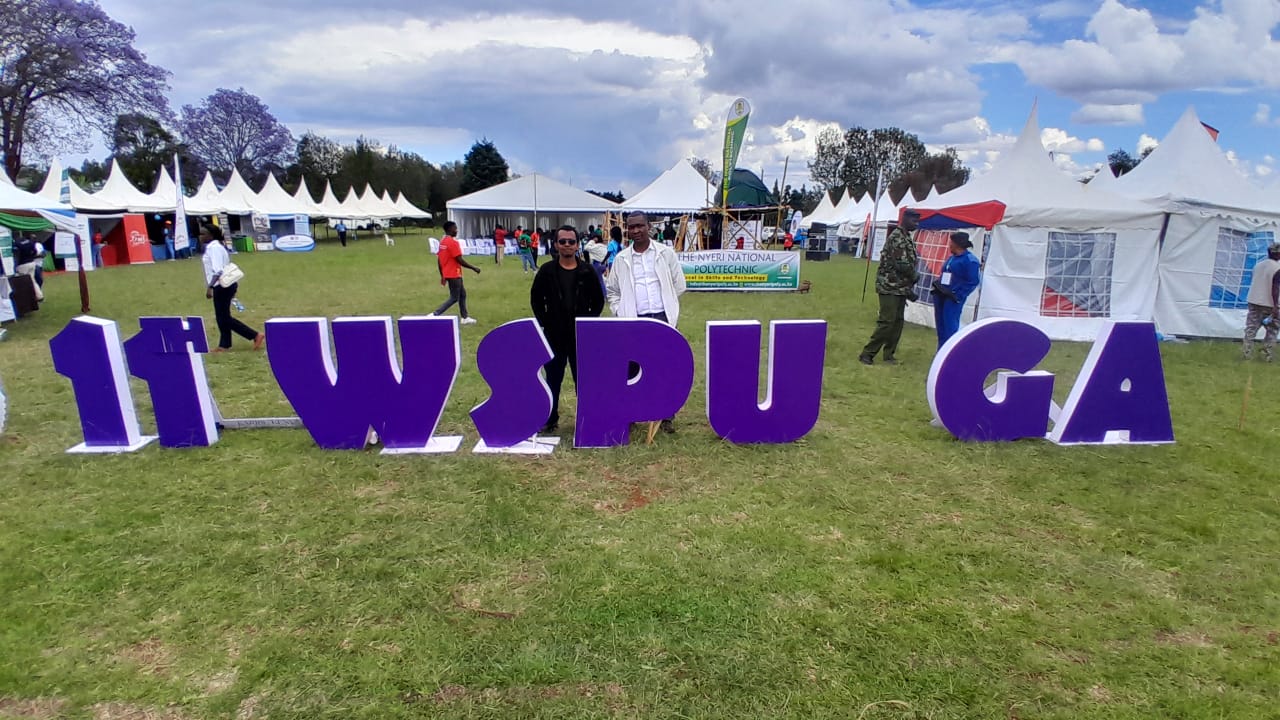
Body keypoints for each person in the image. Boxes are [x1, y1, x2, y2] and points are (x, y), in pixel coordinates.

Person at [606, 211, 688, 434]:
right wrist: (620, 311)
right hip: (634, 319)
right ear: (627, 230)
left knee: (664, 368)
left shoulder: (665, 253)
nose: (636, 231)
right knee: (632, 367)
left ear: (649, 226)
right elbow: (612, 291)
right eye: (631, 227)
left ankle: (666, 415)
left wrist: (668, 304)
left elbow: (679, 285)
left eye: (640, 226)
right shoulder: (622, 258)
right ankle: (632, 412)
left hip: (662, 317)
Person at [530, 226, 605, 433]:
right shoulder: (547, 271)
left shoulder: (587, 271)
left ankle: (587, 416)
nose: (567, 245)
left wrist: (588, 322)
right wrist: (545, 321)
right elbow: (536, 299)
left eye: (571, 241)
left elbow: (598, 301)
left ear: (577, 244)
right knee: (552, 379)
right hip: (554, 335)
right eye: (562, 241)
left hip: (581, 336)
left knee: (584, 379)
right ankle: (549, 418)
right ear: (555, 245)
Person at [859, 209, 921, 365]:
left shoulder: (907, 238)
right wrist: (915, 276)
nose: (916, 224)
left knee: (898, 322)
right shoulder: (897, 237)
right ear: (905, 220)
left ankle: (889, 354)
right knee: (887, 321)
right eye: (914, 221)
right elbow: (902, 264)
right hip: (889, 286)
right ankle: (867, 353)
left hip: (900, 287)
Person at [200, 224, 264, 353]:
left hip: (222, 285)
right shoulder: (215, 247)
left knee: (224, 318)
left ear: (211, 235)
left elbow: (218, 270)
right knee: (222, 316)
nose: (200, 236)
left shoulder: (214, 248)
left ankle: (254, 335)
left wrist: (210, 287)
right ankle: (224, 344)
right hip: (225, 284)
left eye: (203, 234)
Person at [930, 232, 982, 349]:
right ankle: (941, 352)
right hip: (941, 295)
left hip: (952, 298)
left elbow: (973, 281)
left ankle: (950, 352)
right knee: (941, 327)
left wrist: (957, 294)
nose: (949, 245)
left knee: (950, 327)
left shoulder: (970, 260)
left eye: (951, 243)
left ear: (957, 244)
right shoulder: (952, 258)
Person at [429, 221, 480, 325]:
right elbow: (459, 260)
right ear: (449, 229)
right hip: (454, 274)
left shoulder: (443, 242)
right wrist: (473, 268)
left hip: (448, 273)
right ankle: (435, 314)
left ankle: (465, 317)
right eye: (455, 228)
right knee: (454, 297)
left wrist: (442, 274)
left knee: (462, 294)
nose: (456, 230)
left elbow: (439, 260)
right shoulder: (453, 243)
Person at [1243, 242, 1280, 361]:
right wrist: (1276, 306)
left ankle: (1246, 353)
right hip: (1269, 303)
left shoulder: (1258, 265)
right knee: (1272, 330)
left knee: (1251, 328)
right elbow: (1275, 288)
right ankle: (1267, 355)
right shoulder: (1277, 268)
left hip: (1253, 300)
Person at [14, 233, 45, 301]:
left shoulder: (17, 244)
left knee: (23, 282)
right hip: (32, 262)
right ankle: (39, 296)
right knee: (32, 280)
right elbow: (34, 252)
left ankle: (27, 299)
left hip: (22, 265)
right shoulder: (30, 243)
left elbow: (16, 255)